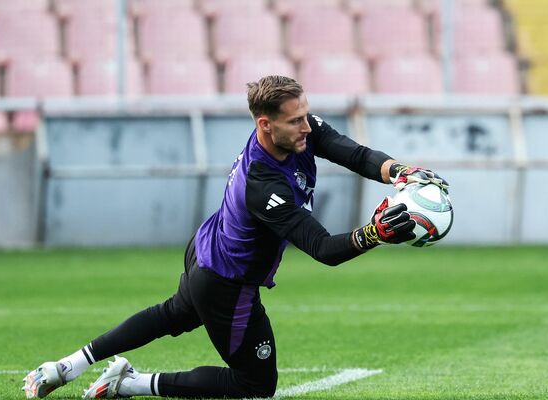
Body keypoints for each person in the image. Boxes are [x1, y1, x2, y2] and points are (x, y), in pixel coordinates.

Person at [22, 75, 448, 399]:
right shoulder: (264, 185)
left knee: (171, 315)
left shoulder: (295, 132)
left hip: (208, 249)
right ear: (266, 125)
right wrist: (374, 233)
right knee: (256, 382)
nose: (307, 127)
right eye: (295, 121)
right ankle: (132, 385)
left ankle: (67, 366)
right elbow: (322, 249)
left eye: (305, 115)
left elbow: (352, 153)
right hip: (228, 282)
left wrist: (400, 172)